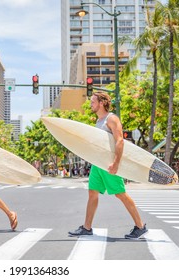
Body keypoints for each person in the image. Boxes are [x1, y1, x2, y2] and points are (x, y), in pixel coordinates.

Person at [69, 92, 148, 239]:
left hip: (109, 164)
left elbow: (120, 141)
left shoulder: (111, 119)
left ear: (101, 103)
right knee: (92, 193)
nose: (90, 104)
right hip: (97, 164)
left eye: (93, 102)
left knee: (120, 194)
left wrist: (116, 163)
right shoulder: (99, 121)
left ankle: (140, 226)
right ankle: (87, 227)